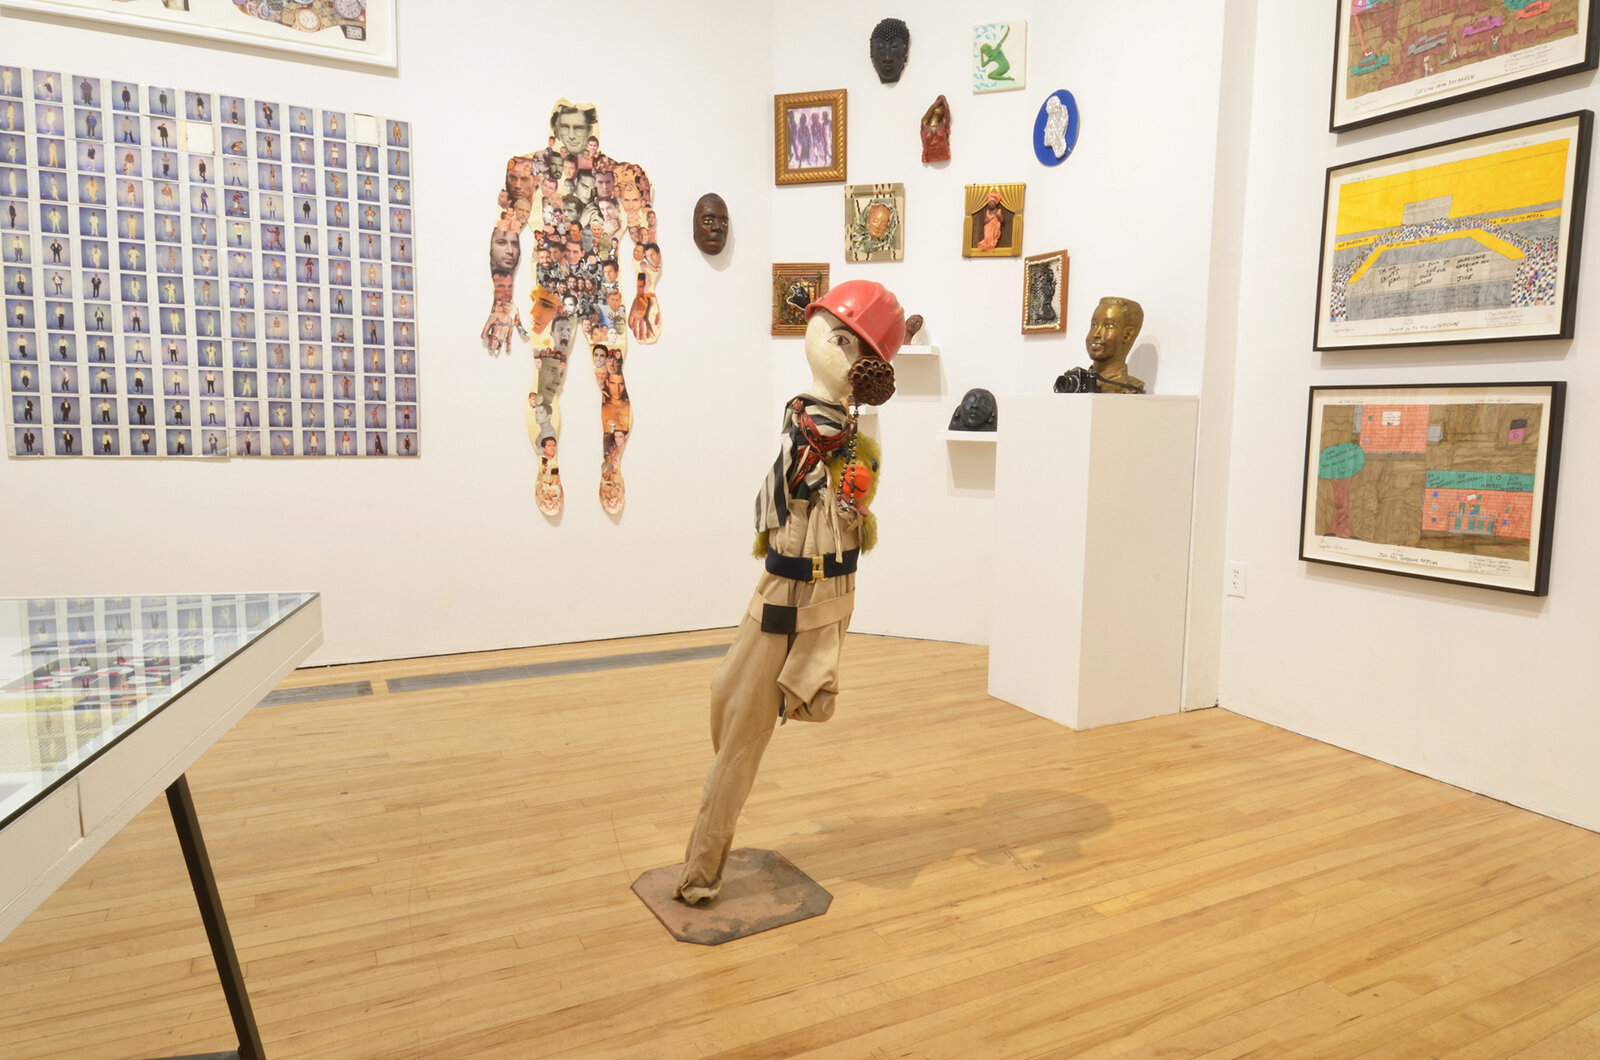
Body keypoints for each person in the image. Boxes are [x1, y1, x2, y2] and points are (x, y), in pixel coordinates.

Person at [674, 279, 903, 906]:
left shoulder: (841, 440)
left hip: (794, 603)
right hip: (780, 583)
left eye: (840, 336)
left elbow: (849, 528)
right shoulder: (812, 420)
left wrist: (854, 499)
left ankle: (702, 870)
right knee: (727, 701)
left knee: (741, 729)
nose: (821, 339)